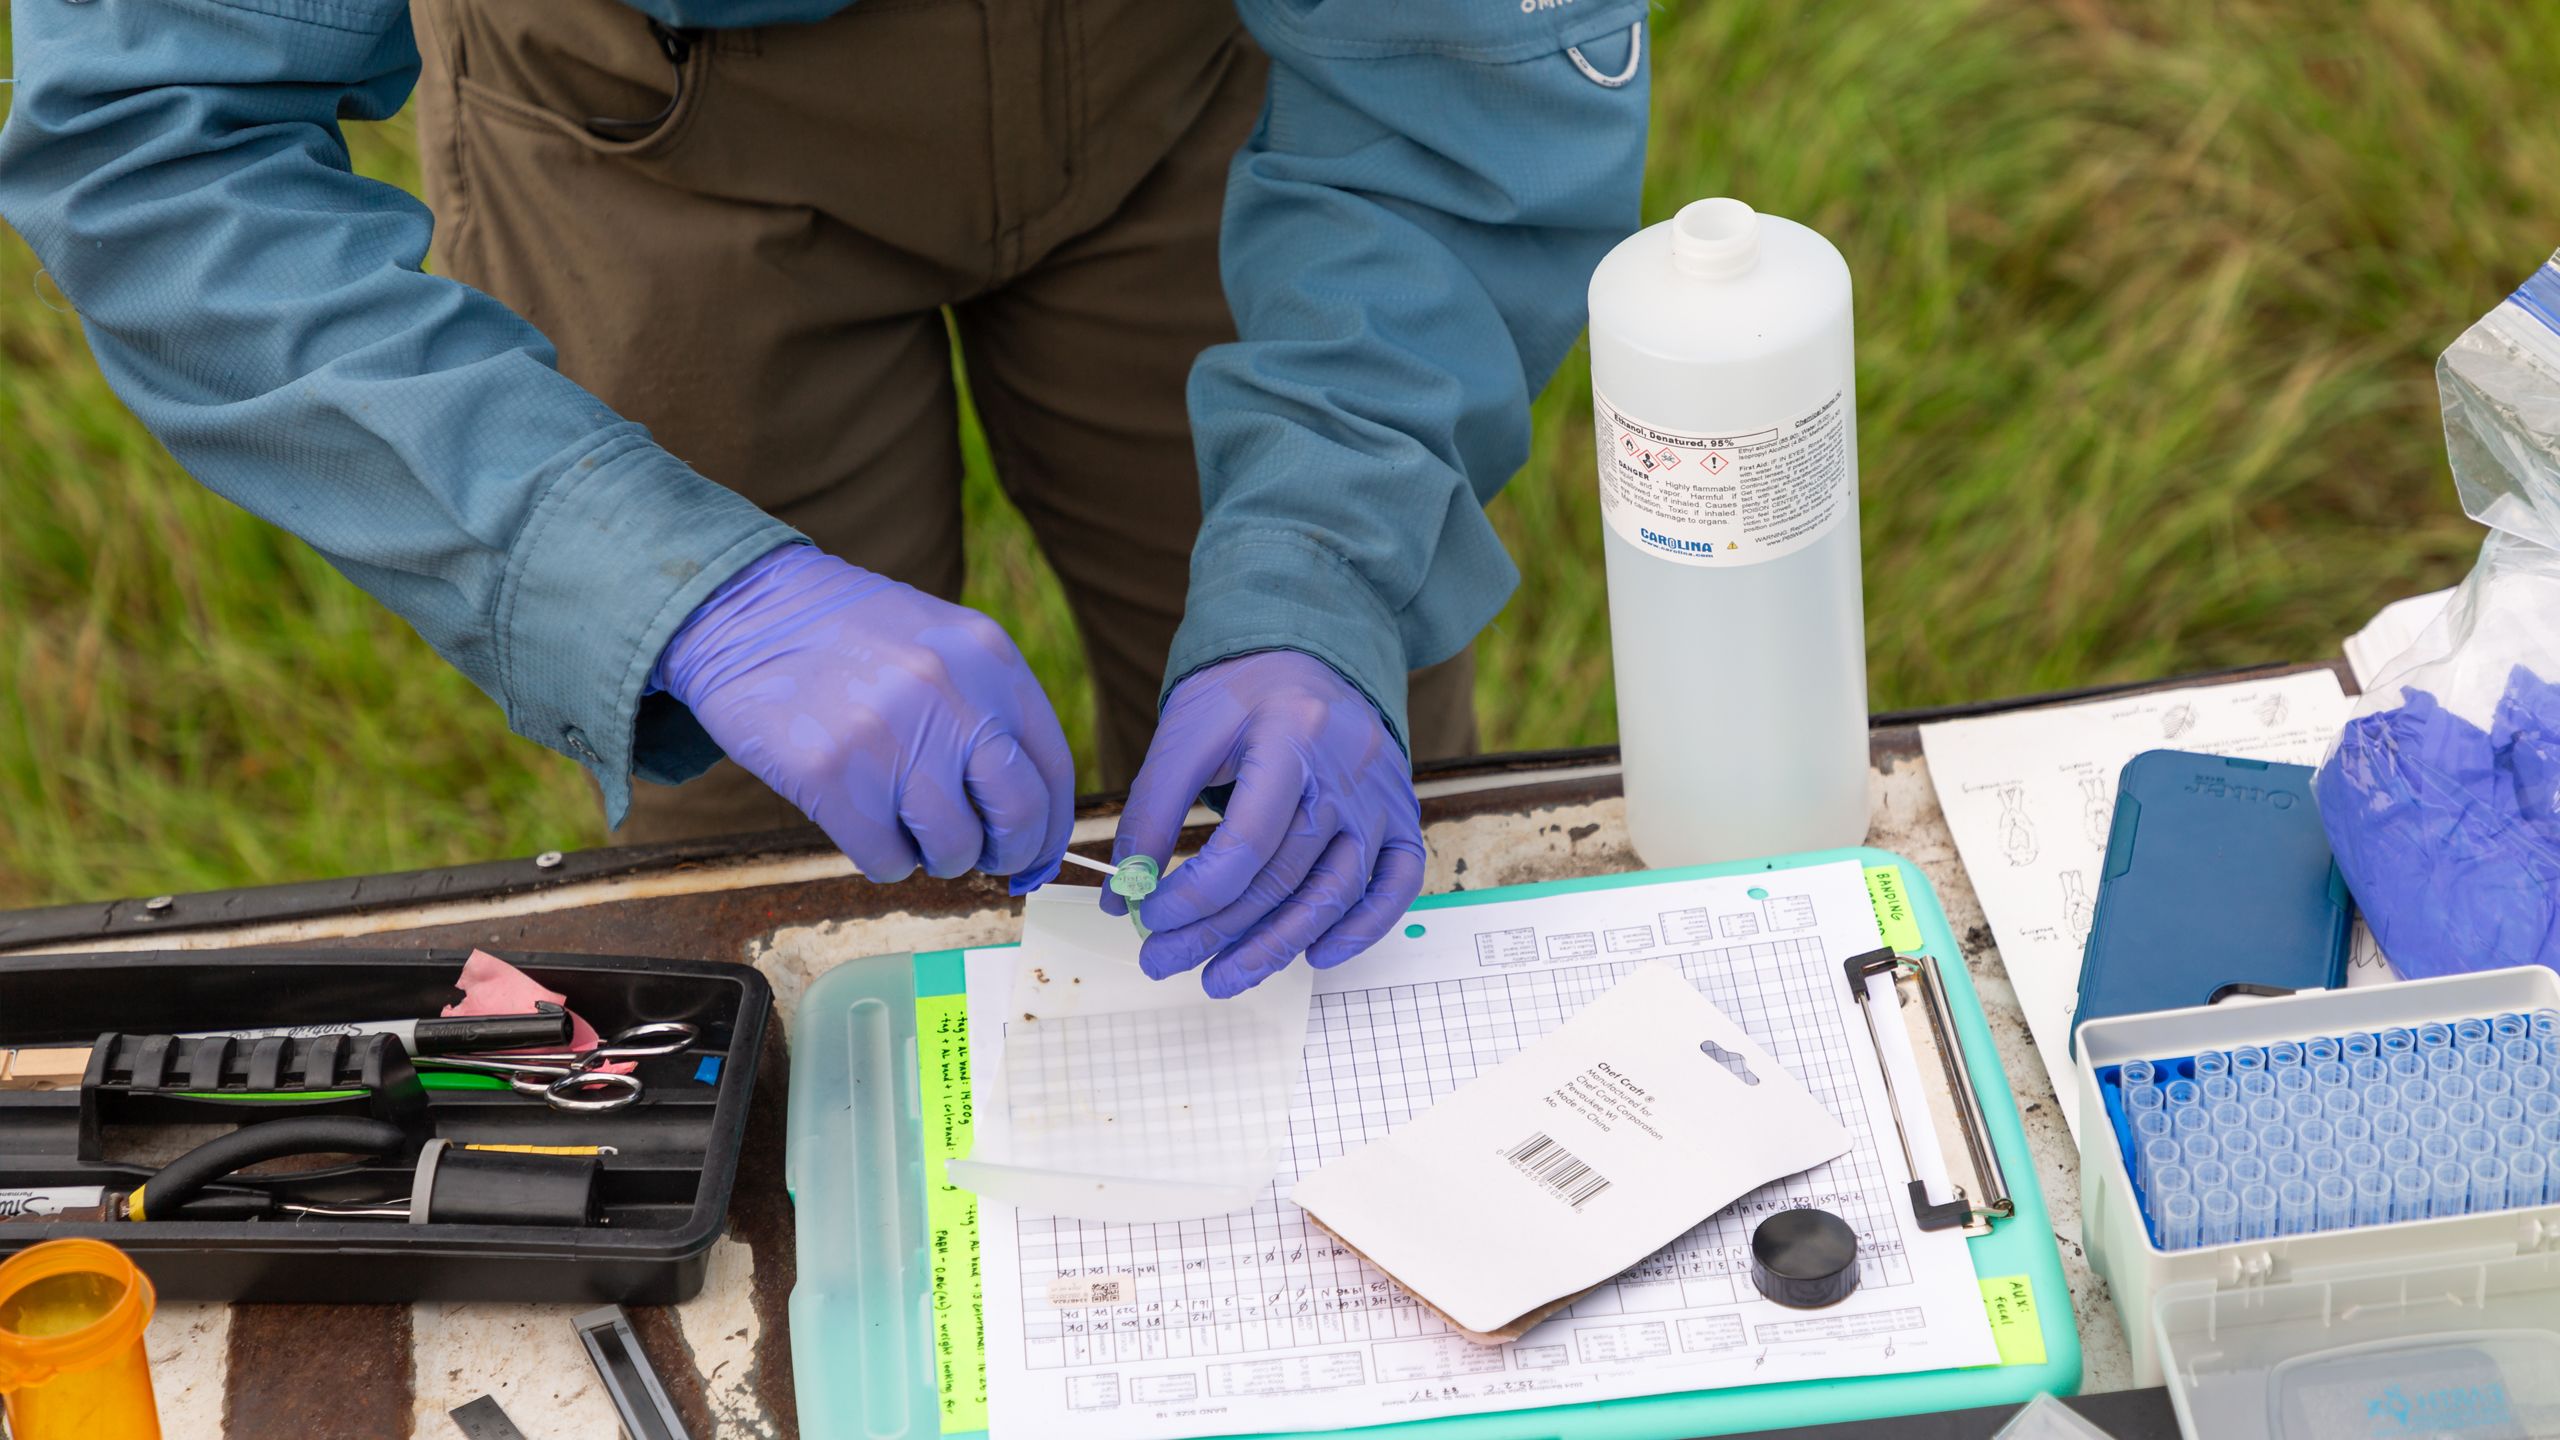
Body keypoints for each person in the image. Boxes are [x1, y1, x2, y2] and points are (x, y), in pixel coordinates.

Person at [0, 0, 1647, 995]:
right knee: (787, 901)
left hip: (1191, 86)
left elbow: (1455, 78)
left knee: (1323, 837)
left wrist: (1328, 569)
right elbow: (154, 126)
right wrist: (669, 587)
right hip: (644, 122)